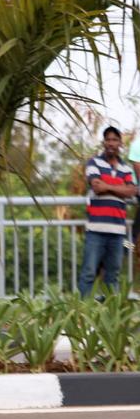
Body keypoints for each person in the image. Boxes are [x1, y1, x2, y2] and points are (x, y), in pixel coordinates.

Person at [79, 126, 136, 298]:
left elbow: (131, 191)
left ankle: (110, 316)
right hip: (95, 230)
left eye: (115, 140)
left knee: (113, 276)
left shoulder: (126, 168)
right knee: (89, 273)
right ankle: (83, 315)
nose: (111, 143)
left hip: (118, 232)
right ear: (104, 142)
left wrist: (107, 186)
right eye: (108, 139)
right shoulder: (94, 162)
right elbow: (96, 187)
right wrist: (120, 188)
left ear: (120, 143)